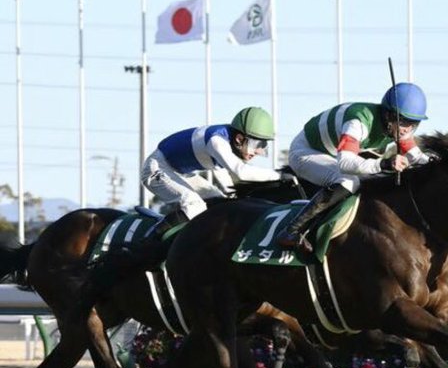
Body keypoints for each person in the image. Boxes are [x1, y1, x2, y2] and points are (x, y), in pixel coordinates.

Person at [275, 82, 430, 253]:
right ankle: (291, 230)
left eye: (413, 124)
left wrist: (440, 162)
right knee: (349, 181)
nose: (407, 129)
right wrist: (384, 163)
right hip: (305, 152)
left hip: (331, 154)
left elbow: (417, 157)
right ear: (388, 115)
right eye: (404, 122)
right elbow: (345, 163)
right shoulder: (357, 122)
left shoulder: (398, 127)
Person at [142, 106, 282, 233]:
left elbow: (224, 175)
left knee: (219, 201)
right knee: (193, 203)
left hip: (181, 173)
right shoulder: (217, 141)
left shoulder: (230, 142)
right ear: (239, 139)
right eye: (256, 144)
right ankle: (148, 242)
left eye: (263, 144)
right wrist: (280, 175)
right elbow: (241, 172)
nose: (258, 151)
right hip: (156, 167)